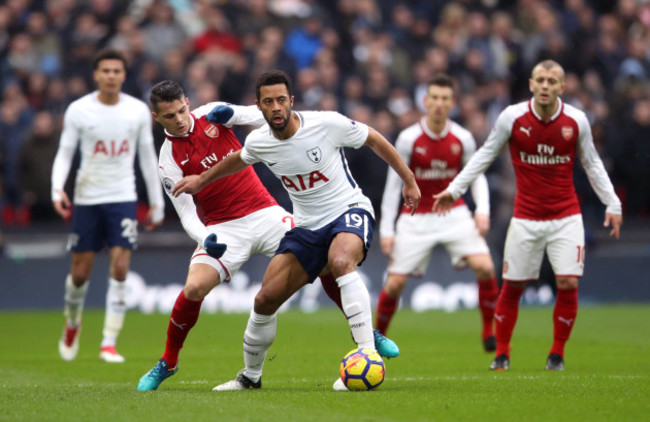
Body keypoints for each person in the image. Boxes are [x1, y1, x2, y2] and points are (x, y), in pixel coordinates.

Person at [137, 80, 399, 391]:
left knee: (329, 261)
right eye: (170, 116)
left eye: (182, 111)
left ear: (188, 103)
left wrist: (233, 112)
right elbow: (187, 215)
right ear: (157, 118)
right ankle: (169, 361)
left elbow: (266, 114)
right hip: (223, 228)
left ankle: (365, 333)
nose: (180, 119)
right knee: (194, 287)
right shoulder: (168, 161)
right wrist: (205, 238)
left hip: (266, 213)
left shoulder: (211, 116)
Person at [433, 60, 622, 371]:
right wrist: (455, 189)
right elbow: (484, 155)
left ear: (562, 87)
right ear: (532, 84)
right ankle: (502, 353)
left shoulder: (576, 121)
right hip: (525, 217)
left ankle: (557, 354)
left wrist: (612, 203)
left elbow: (593, 164)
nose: (546, 85)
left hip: (566, 216)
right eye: (541, 80)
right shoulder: (512, 117)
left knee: (567, 283)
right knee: (513, 286)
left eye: (552, 81)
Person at [51, 49, 165, 363]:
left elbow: (146, 155)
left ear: (123, 75)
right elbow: (64, 152)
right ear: (96, 75)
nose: (111, 76)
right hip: (87, 198)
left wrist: (157, 202)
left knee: (120, 267)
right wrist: (57, 188)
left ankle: (109, 341)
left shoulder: (137, 110)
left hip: (122, 197)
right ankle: (72, 322)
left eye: (117, 70)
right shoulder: (79, 110)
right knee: (80, 273)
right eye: (106, 71)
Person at [376, 73, 500, 352]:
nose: (440, 104)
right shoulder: (408, 139)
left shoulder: (463, 138)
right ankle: (376, 341)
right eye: (435, 98)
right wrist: (387, 231)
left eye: (446, 99)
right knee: (394, 285)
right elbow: (393, 187)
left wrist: (482, 210)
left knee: (485, 267)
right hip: (415, 217)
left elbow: (476, 175)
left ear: (453, 103)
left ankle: (489, 332)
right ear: (425, 101)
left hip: (453, 213)